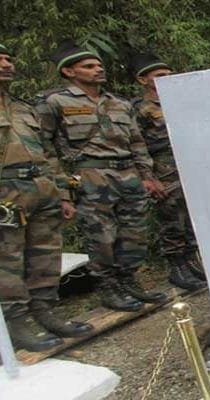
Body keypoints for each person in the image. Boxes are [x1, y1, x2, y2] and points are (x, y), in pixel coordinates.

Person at [36, 41, 167, 312]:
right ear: (69, 72)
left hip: (128, 175)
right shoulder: (55, 103)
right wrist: (62, 190)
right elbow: (44, 149)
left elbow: (137, 143)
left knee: (134, 233)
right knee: (101, 236)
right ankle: (108, 287)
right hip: (91, 176)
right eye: (89, 66)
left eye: (99, 65)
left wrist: (147, 176)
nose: (98, 69)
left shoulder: (118, 103)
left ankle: (129, 281)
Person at [0, 43, 93, 351]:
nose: (6, 64)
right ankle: (16, 324)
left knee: (45, 255)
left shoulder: (23, 107)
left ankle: (45, 312)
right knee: (8, 260)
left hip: (41, 189)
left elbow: (47, 153)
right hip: (6, 193)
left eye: (8, 57)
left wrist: (63, 193)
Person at [130, 53, 206, 291]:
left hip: (186, 165)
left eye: (170, 75)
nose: (168, 79)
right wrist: (148, 177)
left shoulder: (179, 103)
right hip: (162, 170)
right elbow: (135, 144)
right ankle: (177, 268)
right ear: (143, 80)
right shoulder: (139, 109)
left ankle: (192, 263)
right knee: (171, 219)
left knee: (191, 219)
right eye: (160, 76)